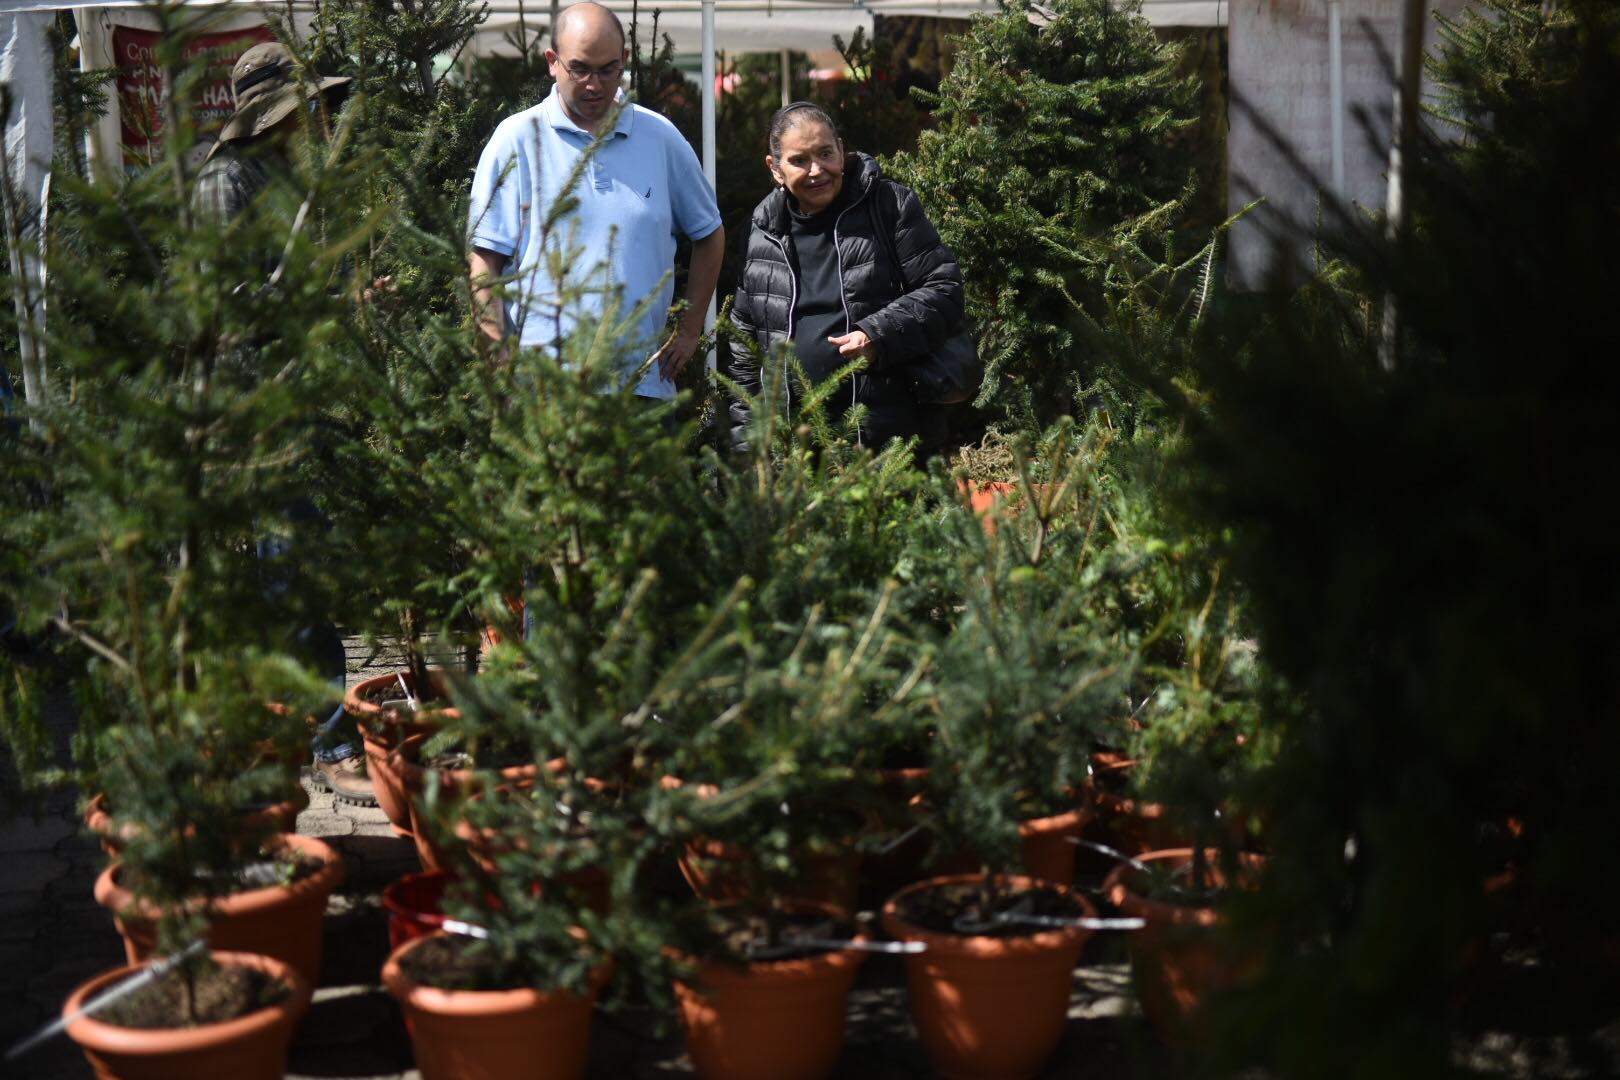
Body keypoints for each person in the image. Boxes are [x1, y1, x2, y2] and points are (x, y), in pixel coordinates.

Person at [193, 43, 375, 807]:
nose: (314, 119)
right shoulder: (226, 181)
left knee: (298, 570)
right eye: (302, 107)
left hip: (307, 395)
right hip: (262, 407)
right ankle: (326, 738)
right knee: (288, 575)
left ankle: (297, 724)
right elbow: (234, 305)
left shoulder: (290, 173)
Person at [467, 2, 725, 398]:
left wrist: (690, 332)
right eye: (580, 68)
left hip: (642, 385)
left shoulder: (661, 138)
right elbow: (485, 260)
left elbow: (709, 232)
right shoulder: (515, 139)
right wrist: (500, 356)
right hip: (544, 388)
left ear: (624, 60)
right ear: (552, 62)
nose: (594, 84)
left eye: (608, 69)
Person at [726, 102, 965, 454]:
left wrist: (877, 336)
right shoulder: (760, 233)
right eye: (799, 160)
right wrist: (749, 447)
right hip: (795, 455)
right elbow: (744, 346)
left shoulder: (889, 206)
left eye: (826, 153)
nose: (816, 170)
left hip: (887, 444)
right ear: (775, 169)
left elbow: (944, 289)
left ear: (841, 147)